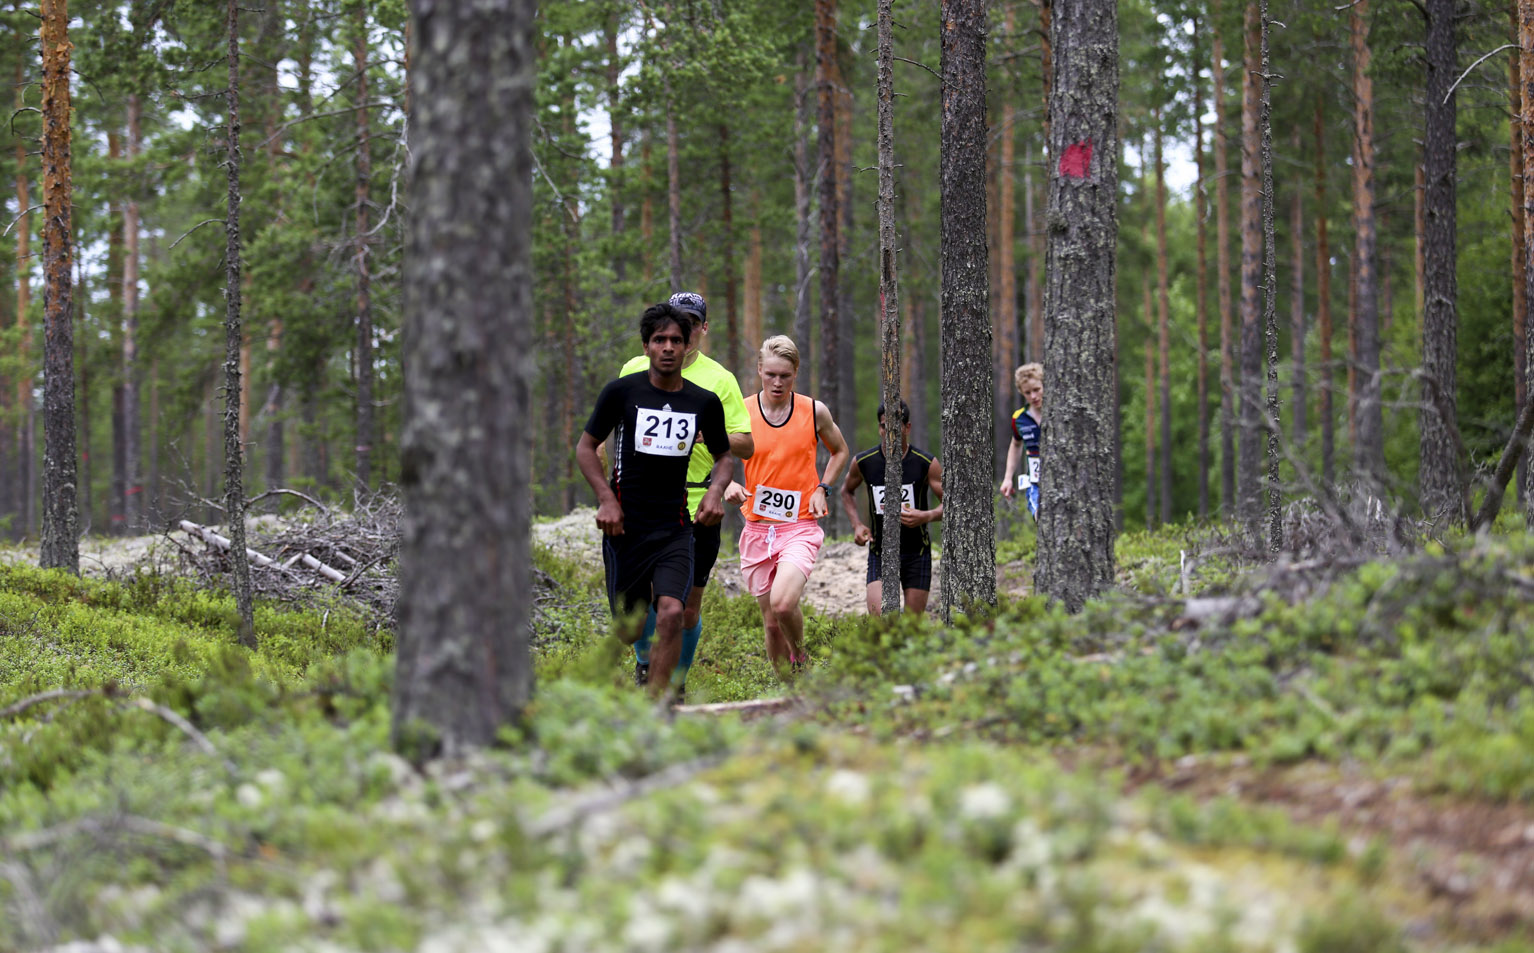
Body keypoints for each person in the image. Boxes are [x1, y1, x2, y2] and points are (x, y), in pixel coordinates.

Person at [575, 303, 733, 699]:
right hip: (625, 528)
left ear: (687, 345)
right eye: (659, 340)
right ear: (646, 346)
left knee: (673, 612)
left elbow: (725, 457)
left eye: (676, 340)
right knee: (630, 629)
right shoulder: (622, 392)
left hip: (675, 527)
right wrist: (606, 500)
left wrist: (715, 492)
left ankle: (660, 706)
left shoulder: (703, 401)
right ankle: (646, 668)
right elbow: (585, 447)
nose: (668, 347)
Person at [615, 291, 754, 699]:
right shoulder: (634, 368)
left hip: (698, 505)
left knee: (685, 608)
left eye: (692, 324)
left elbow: (745, 444)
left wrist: (705, 433)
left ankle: (675, 683)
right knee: (645, 604)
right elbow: (611, 429)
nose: (684, 333)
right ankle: (647, 663)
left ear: (703, 328)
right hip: (641, 503)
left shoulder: (719, 379)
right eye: (677, 324)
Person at [723, 335, 849, 678]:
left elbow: (840, 451)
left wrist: (823, 487)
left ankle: (800, 656)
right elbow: (711, 453)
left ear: (796, 373)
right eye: (771, 375)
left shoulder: (813, 411)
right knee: (771, 624)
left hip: (799, 526)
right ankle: (787, 690)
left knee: (782, 604)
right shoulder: (742, 411)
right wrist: (727, 483)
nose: (777, 383)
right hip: (757, 528)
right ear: (759, 370)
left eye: (785, 376)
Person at [840, 399, 943, 615]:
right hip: (880, 551)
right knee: (881, 618)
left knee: (912, 624)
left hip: (917, 552)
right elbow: (846, 491)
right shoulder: (864, 461)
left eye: (896, 426)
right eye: (884, 426)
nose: (889, 432)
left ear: (907, 427)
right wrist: (857, 524)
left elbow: (952, 504)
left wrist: (926, 516)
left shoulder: (925, 462)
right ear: (879, 428)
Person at [1000, 362, 1043, 518]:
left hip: (1062, 479)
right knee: (1041, 517)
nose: (1033, 396)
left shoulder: (1059, 413)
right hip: (1035, 483)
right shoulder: (1019, 418)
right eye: (1027, 392)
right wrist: (1007, 478)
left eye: (1037, 390)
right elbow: (1016, 444)